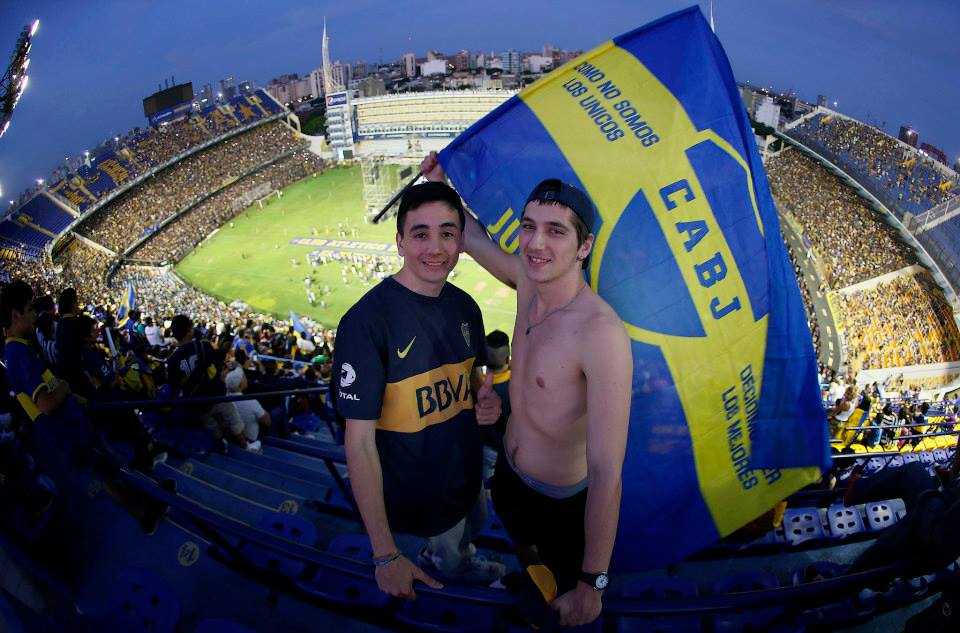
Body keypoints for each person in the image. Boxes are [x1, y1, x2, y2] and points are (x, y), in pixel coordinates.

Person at [421, 152, 632, 627]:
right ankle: (529, 571)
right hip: (510, 478)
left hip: (560, 503)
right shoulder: (525, 281)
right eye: (528, 226)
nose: (536, 243)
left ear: (584, 246)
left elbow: (605, 471)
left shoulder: (600, 334)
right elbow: (472, 235)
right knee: (523, 553)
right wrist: (440, 182)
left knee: (558, 608)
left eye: (556, 231)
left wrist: (593, 584)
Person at [334, 181, 505, 601]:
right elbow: (358, 445)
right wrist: (385, 556)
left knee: (475, 523)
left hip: (468, 474)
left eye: (447, 233)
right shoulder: (365, 324)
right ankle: (447, 564)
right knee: (450, 557)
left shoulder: (467, 306)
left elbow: (472, 381)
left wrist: (487, 399)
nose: (435, 247)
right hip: (421, 495)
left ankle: (459, 554)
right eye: (420, 233)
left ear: (460, 241)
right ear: (399, 242)